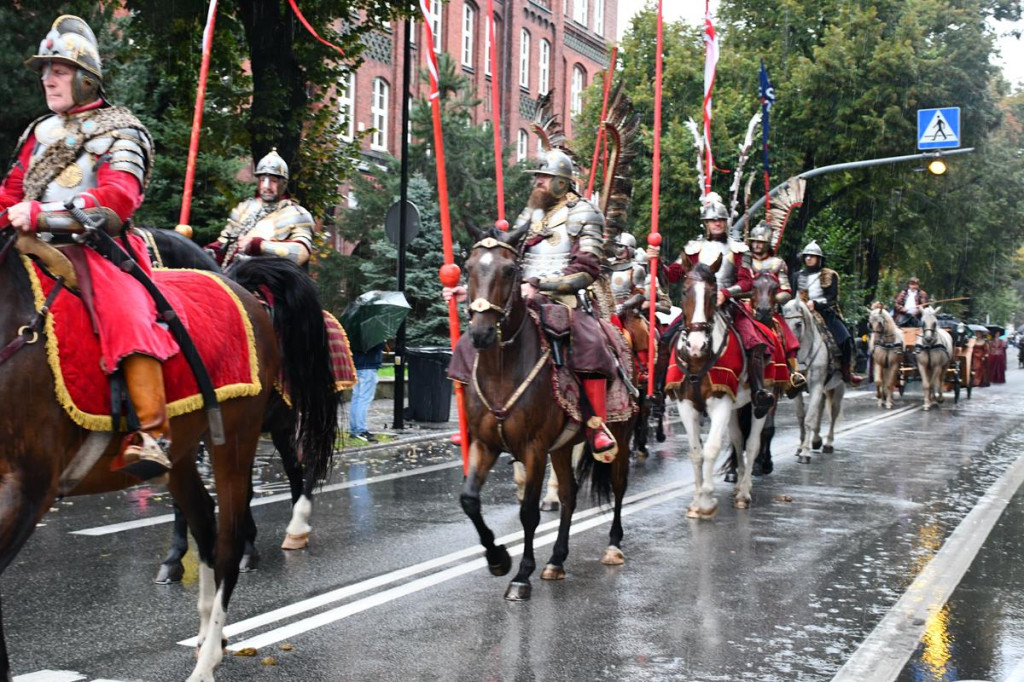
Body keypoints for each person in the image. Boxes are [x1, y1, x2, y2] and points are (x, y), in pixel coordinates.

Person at [0, 15, 174, 478]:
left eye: (57, 70)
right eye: (44, 70)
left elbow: (117, 199)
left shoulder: (122, 129)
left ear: (85, 77)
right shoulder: (39, 133)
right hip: (29, 244)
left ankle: (153, 435)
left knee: (127, 315)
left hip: (96, 250)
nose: (46, 79)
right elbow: (11, 193)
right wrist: (13, 213)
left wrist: (41, 215)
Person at [446, 149, 619, 461]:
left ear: (562, 182)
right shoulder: (530, 217)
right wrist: (476, 291)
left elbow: (588, 270)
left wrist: (540, 285)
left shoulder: (584, 213)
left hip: (563, 300)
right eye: (537, 178)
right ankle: (471, 419)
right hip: (519, 298)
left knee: (592, 342)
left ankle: (595, 426)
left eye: (544, 177)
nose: (538, 183)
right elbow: (504, 263)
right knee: (471, 340)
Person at [656, 198, 778, 418]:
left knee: (755, 342)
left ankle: (758, 390)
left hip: (729, 306)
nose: (717, 224)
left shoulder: (739, 249)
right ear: (706, 223)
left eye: (720, 220)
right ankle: (657, 392)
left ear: (726, 222)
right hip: (698, 306)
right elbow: (673, 275)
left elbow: (747, 282)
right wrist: (656, 264)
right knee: (665, 340)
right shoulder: (693, 249)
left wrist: (727, 293)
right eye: (713, 220)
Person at [205, 148, 314, 270]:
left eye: (273, 181)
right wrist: (205, 253)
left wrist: (257, 245)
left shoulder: (297, 214)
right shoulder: (244, 208)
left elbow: (300, 254)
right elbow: (223, 244)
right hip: (231, 272)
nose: (266, 186)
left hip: (270, 278)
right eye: (262, 180)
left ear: (284, 184)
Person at [745, 220, 804, 395]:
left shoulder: (777, 263)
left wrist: (770, 300)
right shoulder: (744, 261)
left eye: (760, 242)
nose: (756, 245)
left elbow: (786, 291)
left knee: (787, 340)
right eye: (754, 241)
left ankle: (793, 374)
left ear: (767, 244)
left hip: (770, 312)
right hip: (747, 310)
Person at [793, 240, 863, 386]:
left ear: (819, 259)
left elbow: (832, 298)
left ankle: (846, 371)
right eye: (806, 256)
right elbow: (794, 295)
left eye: (812, 256)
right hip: (800, 312)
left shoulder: (830, 275)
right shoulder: (797, 276)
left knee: (845, 338)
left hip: (825, 312)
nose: (808, 259)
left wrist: (816, 304)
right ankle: (786, 373)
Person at [349, 342, 385, 443]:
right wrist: (383, 341)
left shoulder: (355, 330)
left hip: (356, 365)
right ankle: (360, 430)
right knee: (364, 399)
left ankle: (354, 429)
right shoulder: (371, 332)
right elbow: (377, 345)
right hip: (368, 366)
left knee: (356, 398)